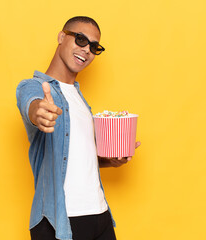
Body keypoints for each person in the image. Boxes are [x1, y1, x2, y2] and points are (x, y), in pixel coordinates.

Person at [16, 16, 140, 240]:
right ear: (62, 37)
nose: (86, 50)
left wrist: (109, 161)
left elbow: (73, 157)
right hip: (61, 222)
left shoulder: (80, 99)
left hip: (100, 215)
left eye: (94, 47)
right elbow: (31, 105)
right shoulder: (35, 87)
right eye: (81, 40)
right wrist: (38, 112)